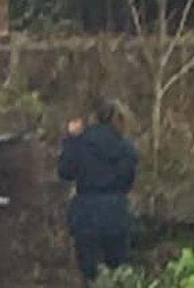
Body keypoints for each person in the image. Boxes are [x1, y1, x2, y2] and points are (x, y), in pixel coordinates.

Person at [58, 98, 139, 283]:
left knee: (89, 273)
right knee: (119, 271)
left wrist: (70, 140)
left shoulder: (81, 142)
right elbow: (128, 180)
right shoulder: (126, 148)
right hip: (116, 212)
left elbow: (65, 172)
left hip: (86, 213)